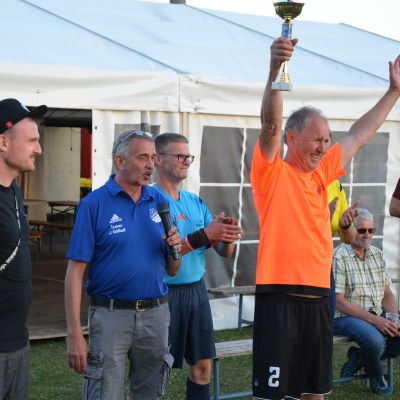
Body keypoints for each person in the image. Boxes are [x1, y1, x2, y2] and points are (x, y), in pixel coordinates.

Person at [250, 36, 400, 400]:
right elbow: (270, 124)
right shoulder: (272, 172)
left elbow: (360, 134)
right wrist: (274, 70)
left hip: (320, 298)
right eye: (317, 140)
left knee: (314, 393)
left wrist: (394, 92)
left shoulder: (322, 173)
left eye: (327, 140)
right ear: (292, 137)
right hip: (280, 296)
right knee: (274, 395)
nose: (324, 147)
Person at [65, 129, 182, 400]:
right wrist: (74, 333)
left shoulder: (160, 202)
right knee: (105, 393)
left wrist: (175, 248)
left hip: (156, 314)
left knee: (148, 394)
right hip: (110, 315)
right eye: (143, 158)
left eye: (153, 158)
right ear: (120, 161)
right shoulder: (93, 204)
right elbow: (74, 274)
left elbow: (173, 270)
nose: (151, 165)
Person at [153, 133, 243, 400]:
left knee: (202, 368)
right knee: (154, 372)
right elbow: (162, 255)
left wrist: (226, 235)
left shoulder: (194, 201)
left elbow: (222, 252)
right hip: (163, 295)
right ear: (158, 159)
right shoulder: (150, 200)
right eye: (179, 156)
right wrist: (205, 233)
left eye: (188, 156)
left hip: (196, 292)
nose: (186, 161)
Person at [0, 98, 47, 400]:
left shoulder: (14, 190)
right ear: (3, 143)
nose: (38, 149)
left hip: (17, 341)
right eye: (31, 141)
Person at [333, 208, 400, 395]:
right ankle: (376, 376)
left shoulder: (377, 253)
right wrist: (376, 320)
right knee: (375, 341)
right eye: (362, 230)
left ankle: (360, 356)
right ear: (352, 230)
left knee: (396, 330)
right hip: (344, 316)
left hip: (375, 312)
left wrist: (393, 317)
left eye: (371, 230)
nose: (367, 235)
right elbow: (338, 302)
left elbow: (387, 293)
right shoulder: (339, 256)